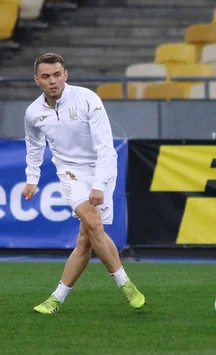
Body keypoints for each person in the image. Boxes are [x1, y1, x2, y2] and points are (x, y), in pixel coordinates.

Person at [22, 53, 145, 314]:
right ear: (37, 80)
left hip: (101, 167)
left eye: (57, 74)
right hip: (70, 172)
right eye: (46, 76)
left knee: (85, 242)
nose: (52, 81)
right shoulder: (33, 113)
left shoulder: (88, 99)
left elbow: (104, 145)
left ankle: (56, 299)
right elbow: (34, 146)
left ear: (65, 75)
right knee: (93, 223)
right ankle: (125, 284)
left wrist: (99, 184)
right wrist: (32, 178)